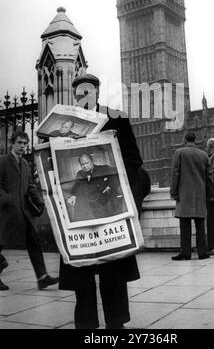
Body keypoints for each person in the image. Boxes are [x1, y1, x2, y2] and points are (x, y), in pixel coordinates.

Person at [59, 73, 150, 329]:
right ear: (74, 96)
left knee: (114, 271)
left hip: (110, 207)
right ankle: (86, 324)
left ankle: (116, 323)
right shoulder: (65, 123)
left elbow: (134, 160)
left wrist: (118, 185)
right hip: (81, 212)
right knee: (82, 273)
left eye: (88, 93)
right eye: (78, 95)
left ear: (97, 93)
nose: (83, 98)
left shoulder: (116, 118)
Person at [0, 131, 59, 291]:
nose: (22, 146)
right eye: (19, 143)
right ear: (12, 143)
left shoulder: (25, 164)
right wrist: (7, 199)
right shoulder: (3, 161)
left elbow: (30, 186)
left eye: (25, 144)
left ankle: (42, 277)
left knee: (33, 241)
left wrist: (39, 201)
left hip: (24, 212)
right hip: (5, 212)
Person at [170, 131, 213, 260]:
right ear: (195, 140)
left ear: (185, 140)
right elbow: (210, 175)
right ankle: (202, 253)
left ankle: (186, 253)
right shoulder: (204, 155)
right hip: (200, 193)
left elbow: (175, 173)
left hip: (184, 194)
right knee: (200, 225)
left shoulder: (179, 153)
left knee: (185, 224)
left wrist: (174, 191)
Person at [66, 153, 125, 221]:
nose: (85, 166)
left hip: (107, 201)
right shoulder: (80, 173)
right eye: (82, 164)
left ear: (92, 161)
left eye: (87, 163)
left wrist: (110, 186)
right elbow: (77, 186)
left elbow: (117, 175)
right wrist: (73, 196)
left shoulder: (104, 168)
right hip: (92, 205)